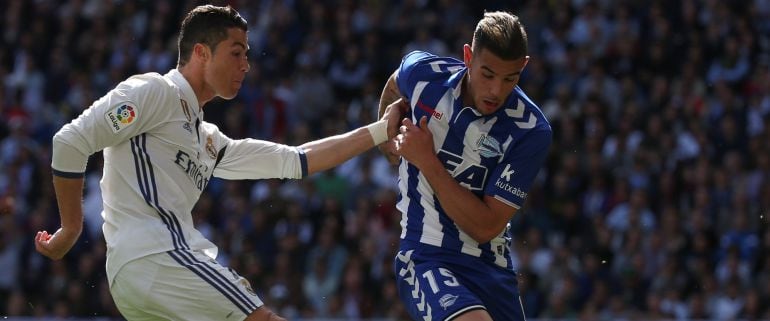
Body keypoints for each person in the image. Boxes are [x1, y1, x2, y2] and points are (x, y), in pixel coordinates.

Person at [34, 5, 402, 321]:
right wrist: (71, 228)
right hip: (157, 255)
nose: (246, 65)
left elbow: (297, 160)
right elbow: (69, 141)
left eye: (247, 55)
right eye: (236, 53)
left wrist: (380, 131)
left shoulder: (208, 139)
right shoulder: (154, 92)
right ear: (202, 52)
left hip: (136, 280)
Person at [377, 11, 552, 321]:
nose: (496, 90)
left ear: (523, 66)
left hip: (493, 268)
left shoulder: (530, 131)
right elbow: (394, 83)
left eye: (510, 78)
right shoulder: (424, 74)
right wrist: (388, 135)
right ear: (468, 56)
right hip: (427, 254)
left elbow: (484, 227)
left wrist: (427, 160)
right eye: (487, 74)